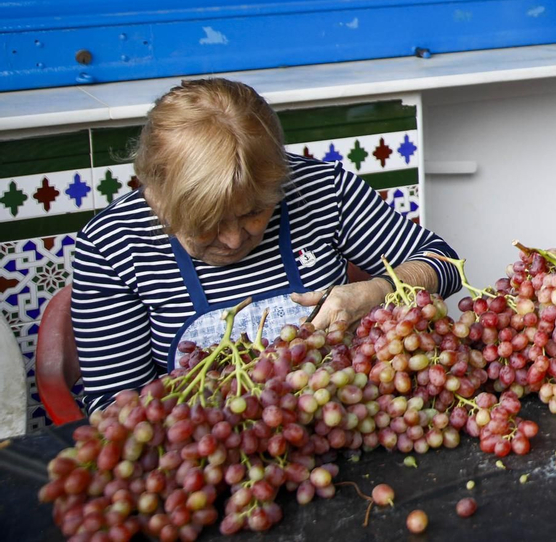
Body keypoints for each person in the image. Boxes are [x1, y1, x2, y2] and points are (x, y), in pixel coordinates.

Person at [71, 79, 464, 412]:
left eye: (254, 212)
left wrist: (381, 289)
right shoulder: (110, 245)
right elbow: (114, 407)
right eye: (206, 224)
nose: (233, 238)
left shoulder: (321, 189)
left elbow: (443, 261)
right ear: (157, 198)